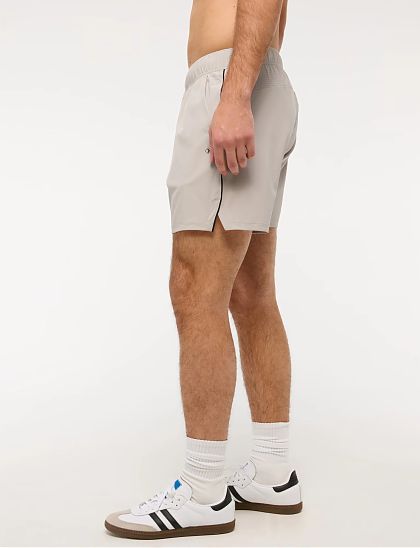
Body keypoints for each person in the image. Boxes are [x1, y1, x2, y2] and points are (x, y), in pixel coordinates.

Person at [105, 0, 301, 540]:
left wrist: (234, 95)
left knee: (196, 288)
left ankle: (202, 491)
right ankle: (272, 474)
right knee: (252, 292)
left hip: (233, 81)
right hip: (258, 77)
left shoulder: (232, 86)